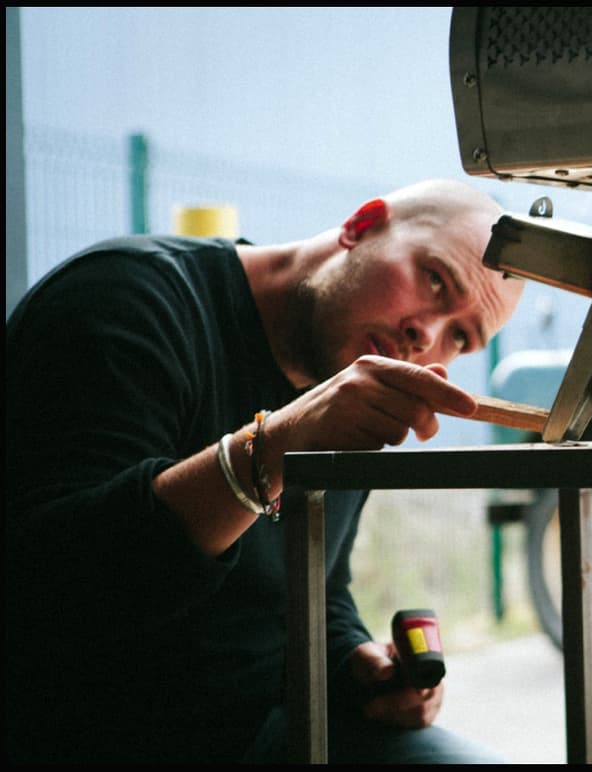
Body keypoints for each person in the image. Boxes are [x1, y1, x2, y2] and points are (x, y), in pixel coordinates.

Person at [4, 179, 525, 763]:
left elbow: (314, 589)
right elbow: (52, 588)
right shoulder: (125, 302)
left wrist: (358, 664)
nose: (427, 335)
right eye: (434, 278)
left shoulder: (351, 395)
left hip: (261, 734)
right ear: (362, 223)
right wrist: (272, 448)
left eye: (460, 336)